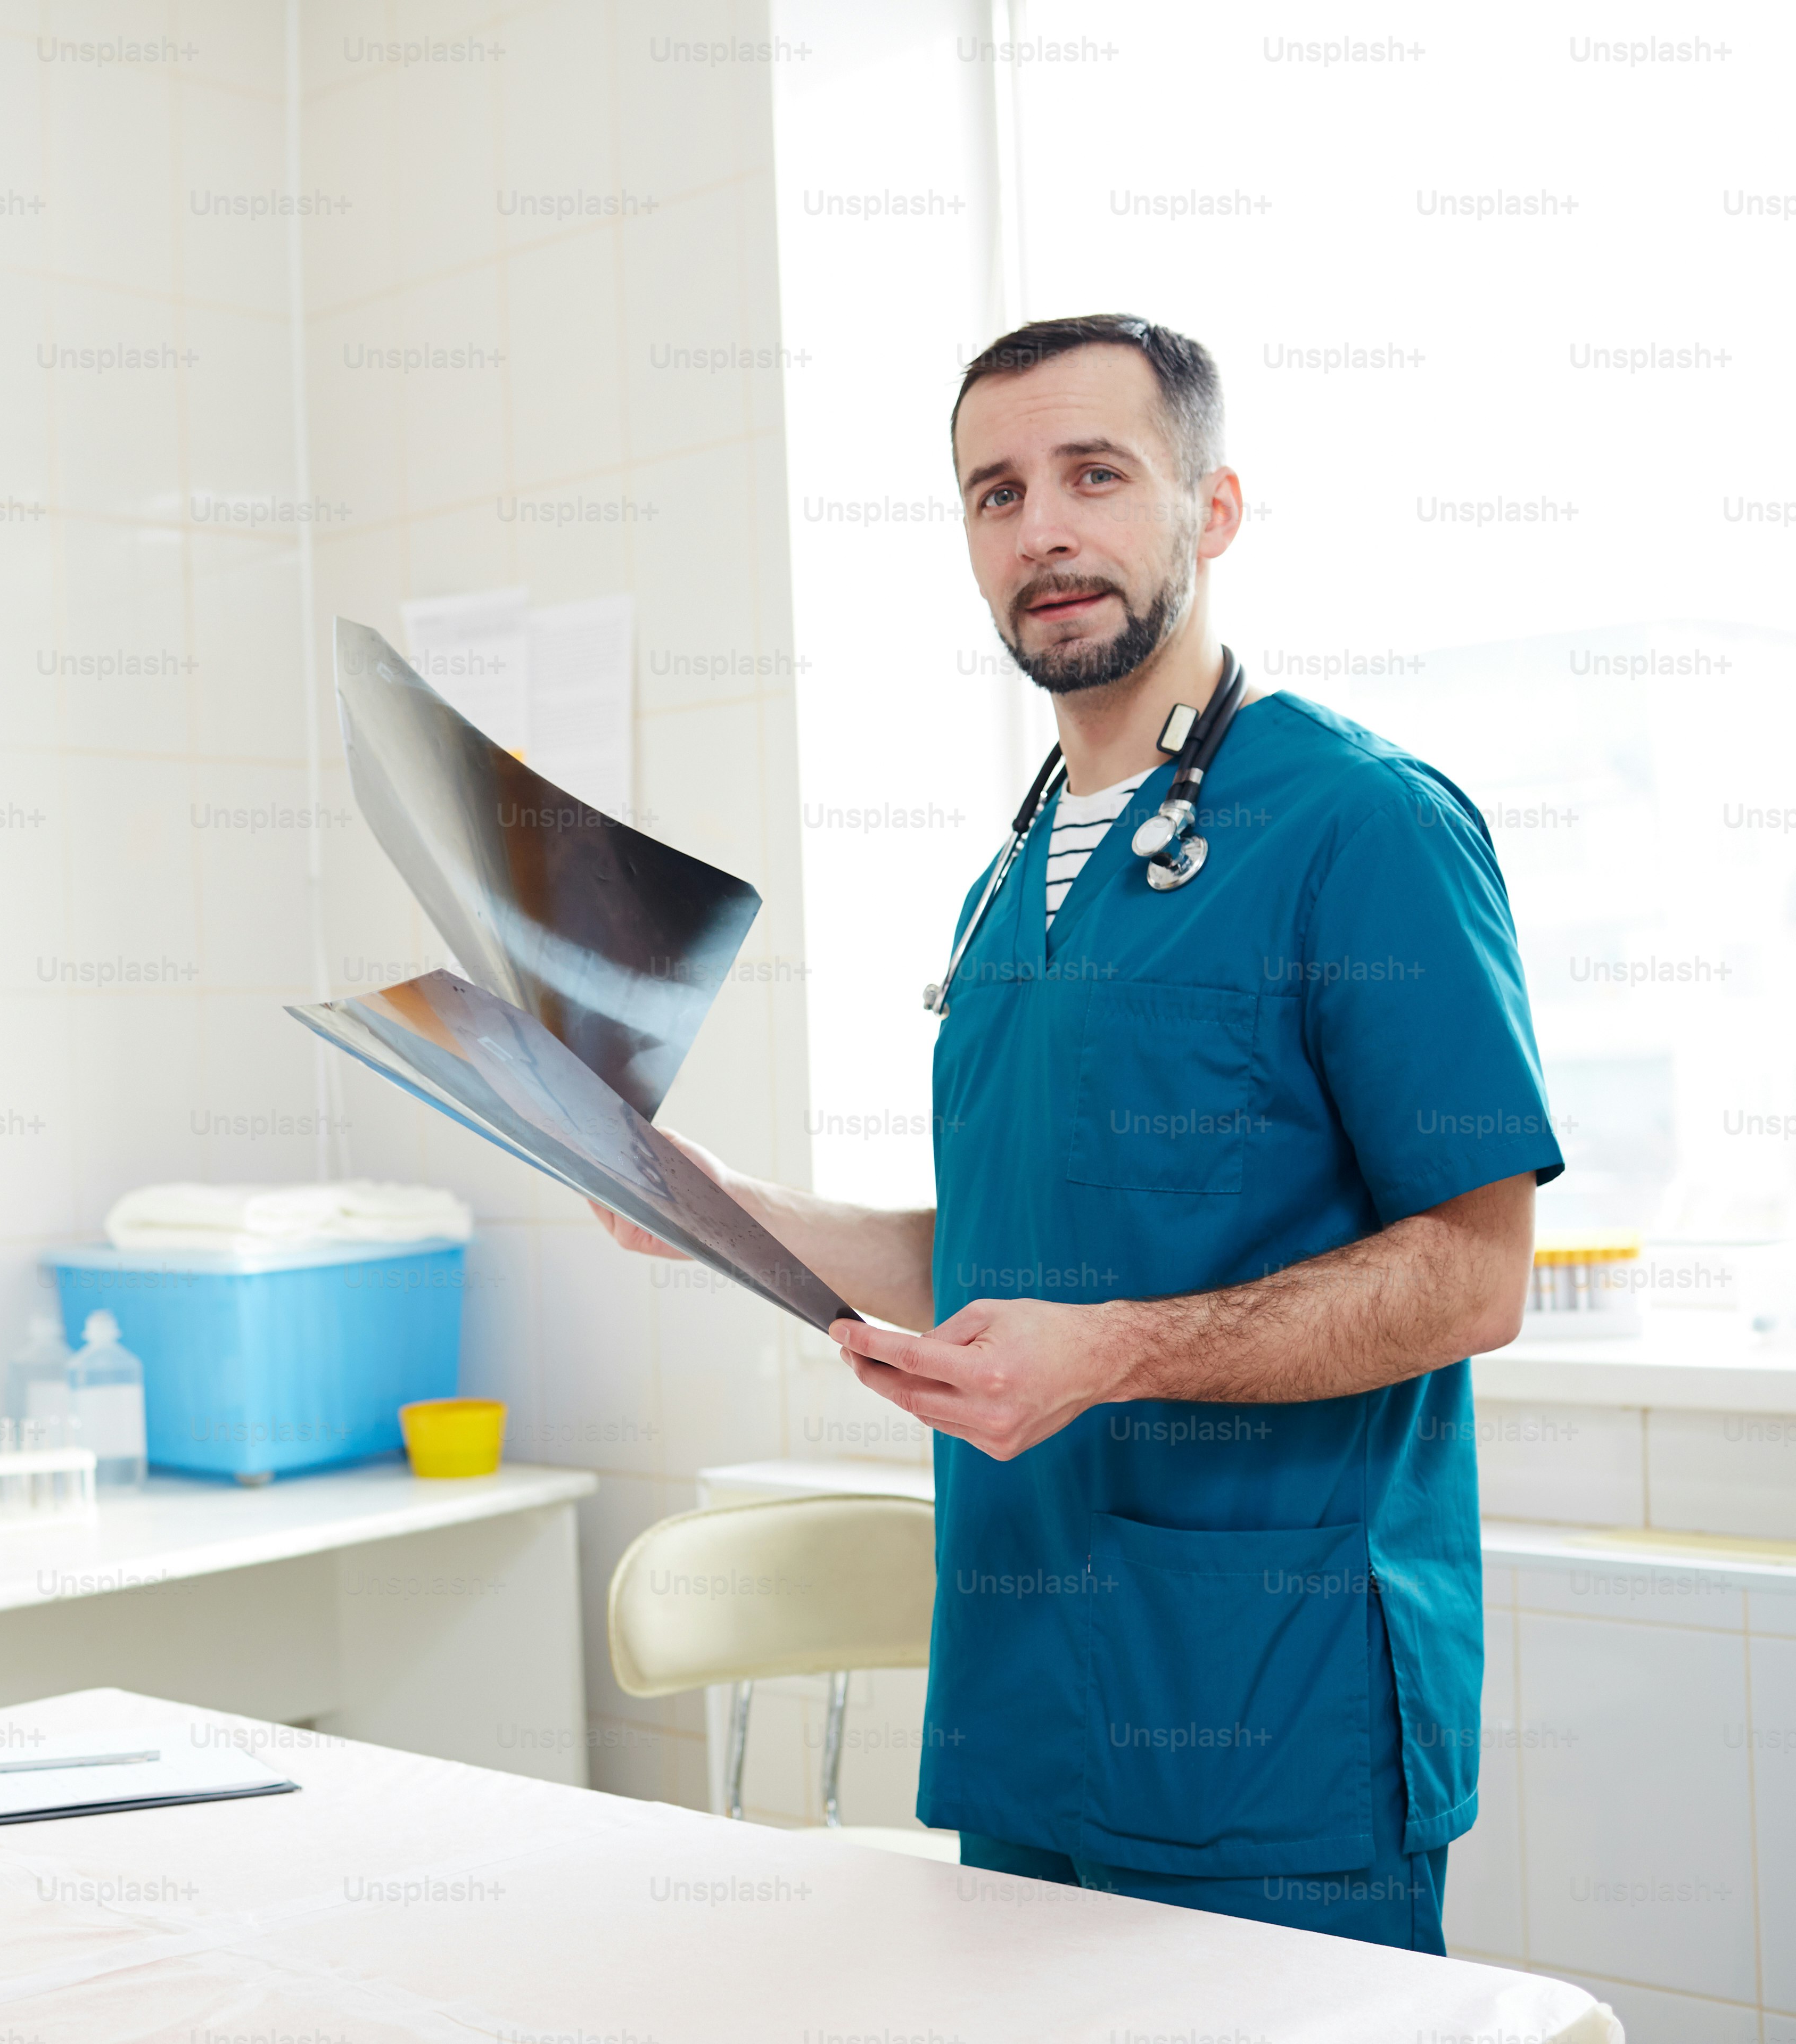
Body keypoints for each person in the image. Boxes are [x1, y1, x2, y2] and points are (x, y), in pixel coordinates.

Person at [597, 314, 1562, 1952]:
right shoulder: (1011, 880)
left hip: (1272, 1717)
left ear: (1215, 508)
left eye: (1095, 475)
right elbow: (989, 1244)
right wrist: (711, 1200)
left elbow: (1474, 1277)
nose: (1041, 527)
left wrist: (1113, 1353)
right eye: (995, 492)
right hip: (1026, 1700)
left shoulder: (1364, 826)